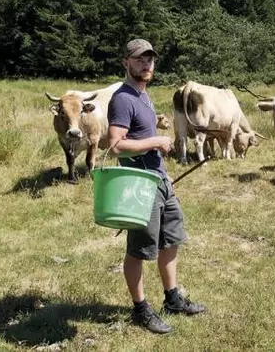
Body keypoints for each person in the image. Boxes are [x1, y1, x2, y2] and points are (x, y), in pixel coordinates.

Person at [106, 38, 206, 334]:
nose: (146, 64)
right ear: (126, 62)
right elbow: (115, 146)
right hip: (139, 186)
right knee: (138, 250)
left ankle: (172, 299)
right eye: (139, 59)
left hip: (161, 180)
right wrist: (156, 141)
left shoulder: (143, 95)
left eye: (149, 59)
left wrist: (156, 138)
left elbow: (137, 134)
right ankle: (140, 309)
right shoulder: (123, 98)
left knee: (171, 239)